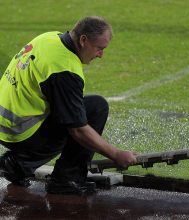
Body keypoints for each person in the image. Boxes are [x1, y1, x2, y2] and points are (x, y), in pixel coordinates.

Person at [0, 16, 137, 195]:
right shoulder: (64, 70)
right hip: (20, 132)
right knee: (96, 108)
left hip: (6, 123)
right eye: (99, 48)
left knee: (75, 109)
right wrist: (115, 154)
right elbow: (78, 129)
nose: (101, 55)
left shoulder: (49, 38)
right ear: (83, 40)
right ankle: (65, 179)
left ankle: (19, 163)